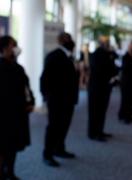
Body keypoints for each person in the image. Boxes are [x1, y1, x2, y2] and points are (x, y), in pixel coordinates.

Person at [40, 32, 79, 167]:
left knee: (64, 125)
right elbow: (44, 79)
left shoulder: (69, 56)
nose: (71, 41)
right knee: (53, 127)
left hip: (68, 99)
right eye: (68, 39)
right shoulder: (54, 56)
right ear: (61, 41)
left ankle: (59, 149)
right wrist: (47, 97)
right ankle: (47, 154)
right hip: (56, 100)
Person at [0, 35, 34, 180]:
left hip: (17, 113)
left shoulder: (18, 68)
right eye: (13, 45)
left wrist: (31, 101)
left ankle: (10, 172)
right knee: (2, 146)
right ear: (4, 48)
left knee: (13, 146)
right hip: (3, 115)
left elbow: (26, 88)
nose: (16, 48)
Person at [87, 36, 118, 142]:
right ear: (102, 43)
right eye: (106, 42)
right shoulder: (97, 54)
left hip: (104, 86)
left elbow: (113, 63)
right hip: (97, 87)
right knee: (96, 111)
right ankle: (93, 133)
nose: (108, 44)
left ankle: (99, 130)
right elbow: (102, 70)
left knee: (102, 111)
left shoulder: (107, 53)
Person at [118, 40, 132, 124]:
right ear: (130, 46)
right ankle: (125, 117)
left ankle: (128, 115)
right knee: (126, 99)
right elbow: (126, 69)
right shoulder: (126, 57)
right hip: (127, 82)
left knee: (131, 99)